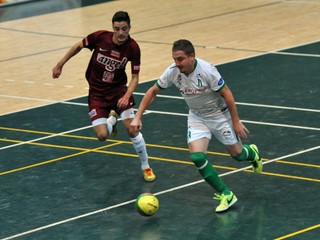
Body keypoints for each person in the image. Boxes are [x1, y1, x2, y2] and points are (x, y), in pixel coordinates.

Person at [130, 39, 262, 212]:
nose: (177, 63)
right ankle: (226, 194)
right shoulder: (172, 72)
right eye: (174, 59)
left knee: (237, 155)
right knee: (197, 157)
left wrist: (236, 121)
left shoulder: (207, 71)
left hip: (219, 115)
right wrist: (138, 116)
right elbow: (152, 91)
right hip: (197, 116)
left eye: (180, 59)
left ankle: (251, 153)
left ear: (192, 56)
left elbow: (227, 93)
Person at [52, 11, 156, 182]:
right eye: (117, 29)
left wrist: (127, 95)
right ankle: (112, 120)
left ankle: (146, 166)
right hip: (97, 94)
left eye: (124, 29)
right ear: (112, 28)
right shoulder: (100, 37)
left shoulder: (133, 48)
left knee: (132, 128)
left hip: (119, 92)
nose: (121, 33)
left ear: (129, 27)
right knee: (101, 136)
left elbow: (135, 77)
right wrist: (60, 64)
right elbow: (78, 46)